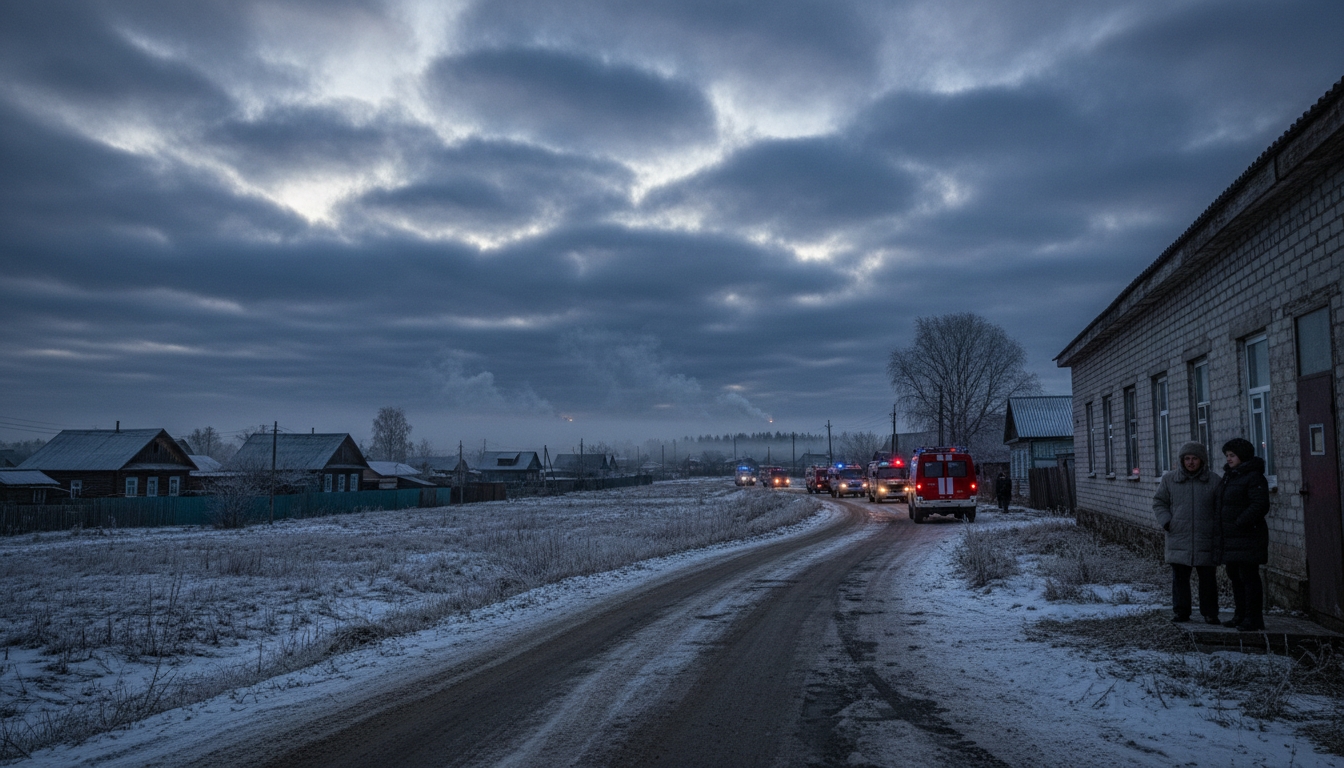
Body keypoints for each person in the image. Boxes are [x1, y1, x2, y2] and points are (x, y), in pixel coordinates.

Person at [1153, 442, 1222, 624]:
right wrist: (1167, 521)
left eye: (1195, 458)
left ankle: (1210, 613)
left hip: (1205, 538)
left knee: (1207, 579)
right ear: (1182, 460)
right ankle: (1181, 612)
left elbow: (1221, 508)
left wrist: (1216, 528)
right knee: (1180, 580)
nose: (1190, 462)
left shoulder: (1214, 481)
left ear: (1202, 460)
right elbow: (1159, 502)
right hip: (1178, 536)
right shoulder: (1170, 480)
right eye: (1187, 459)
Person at [1217, 438, 1270, 631]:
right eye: (1227, 456)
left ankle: (1253, 618)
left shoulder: (1253, 476)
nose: (1229, 459)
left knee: (1249, 577)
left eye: (1232, 455)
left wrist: (1240, 522)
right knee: (1235, 576)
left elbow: (1260, 504)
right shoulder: (1231, 475)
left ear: (1243, 455)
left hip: (1248, 536)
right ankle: (1240, 615)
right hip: (1232, 537)